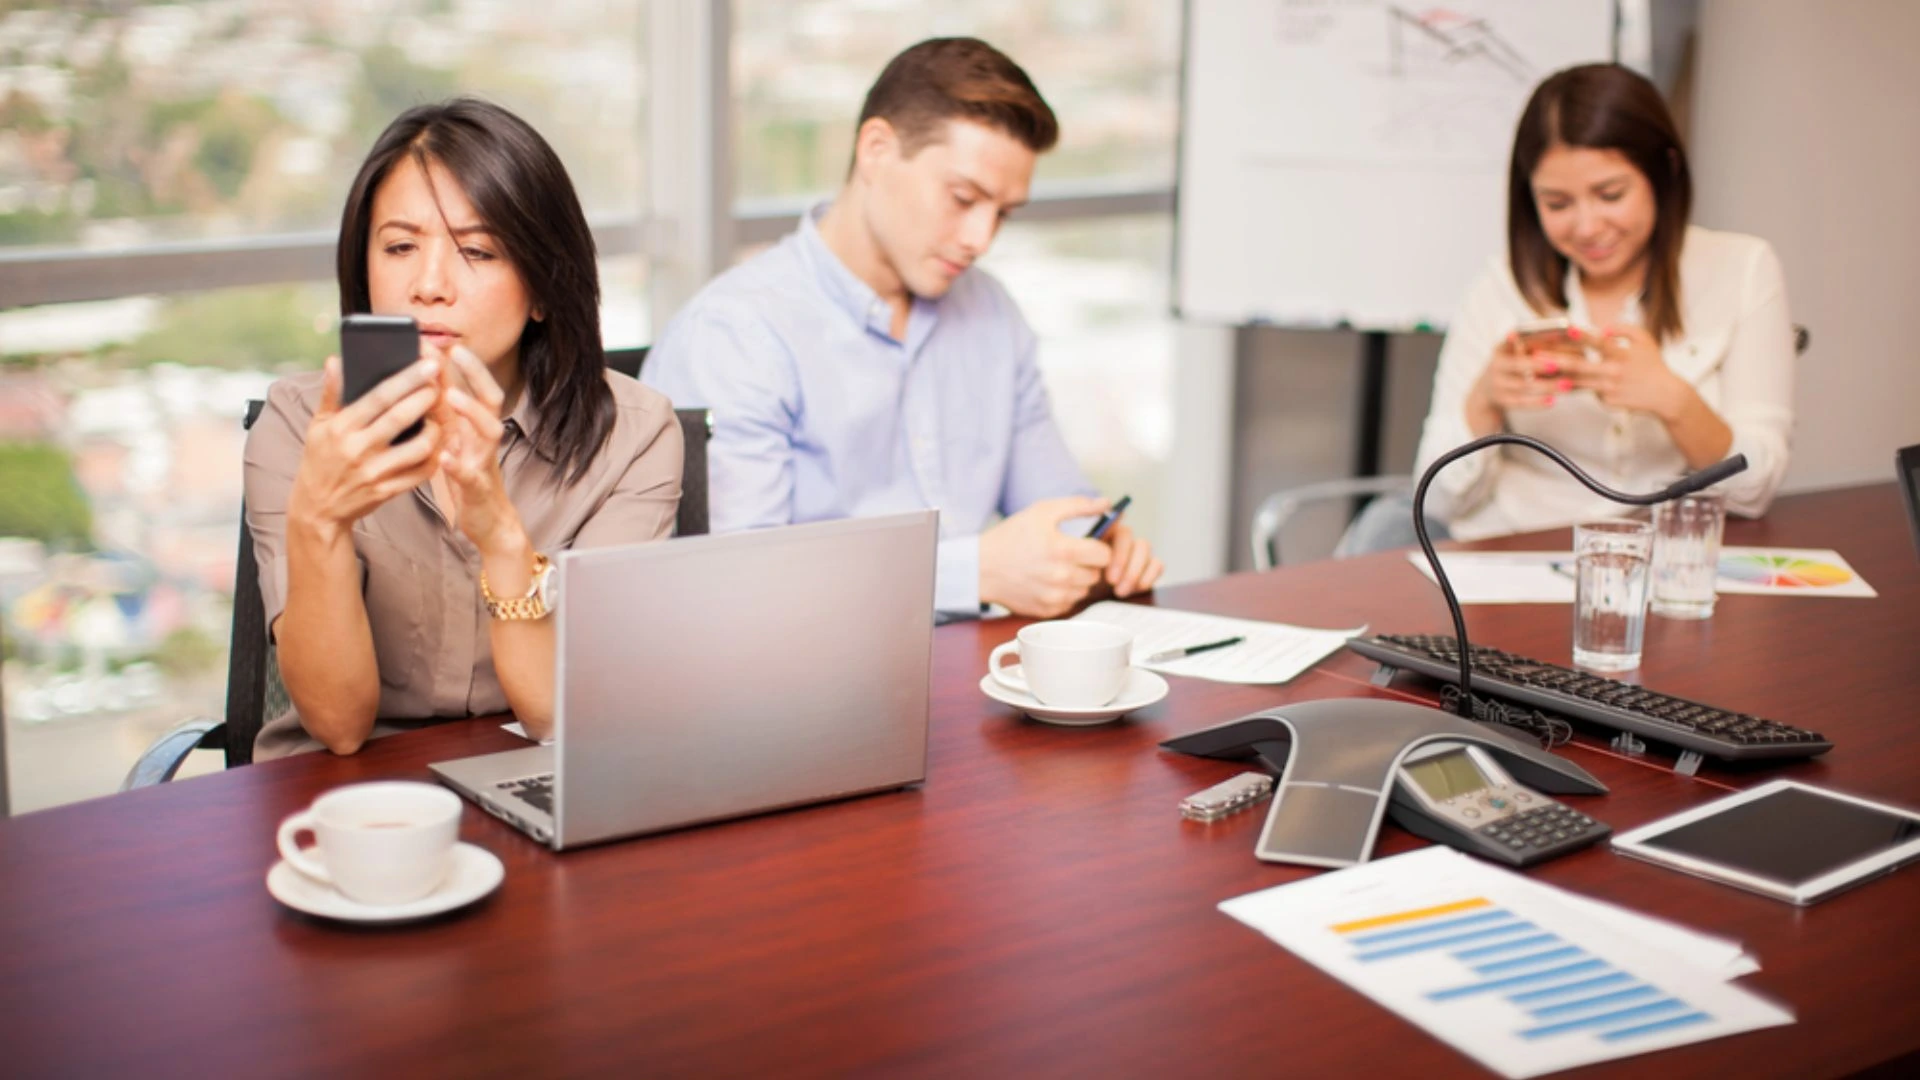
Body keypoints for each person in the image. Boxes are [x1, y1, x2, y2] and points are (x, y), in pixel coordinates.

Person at [642, 37, 1163, 619]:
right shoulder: (737, 334)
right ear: (876, 150)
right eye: (964, 197)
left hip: (977, 671)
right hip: (812, 686)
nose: (980, 239)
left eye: (1004, 214)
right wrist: (975, 572)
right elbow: (741, 585)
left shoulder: (991, 312)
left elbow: (1061, 509)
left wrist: (1100, 546)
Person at [244, 99, 683, 759]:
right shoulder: (298, 426)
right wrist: (319, 519)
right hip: (349, 793)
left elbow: (557, 714)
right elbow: (337, 726)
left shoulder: (636, 436)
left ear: (542, 286)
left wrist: (499, 531)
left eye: (476, 250)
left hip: (540, 771)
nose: (428, 285)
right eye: (398, 247)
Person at [1404, 63, 1795, 543]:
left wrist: (1673, 401)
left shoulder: (1743, 269)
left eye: (1610, 195)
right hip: (1517, 555)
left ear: (1665, 171)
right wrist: (1483, 402)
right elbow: (1437, 503)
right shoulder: (1500, 286)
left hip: (1671, 563)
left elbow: (1756, 494)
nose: (1586, 227)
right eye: (1557, 204)